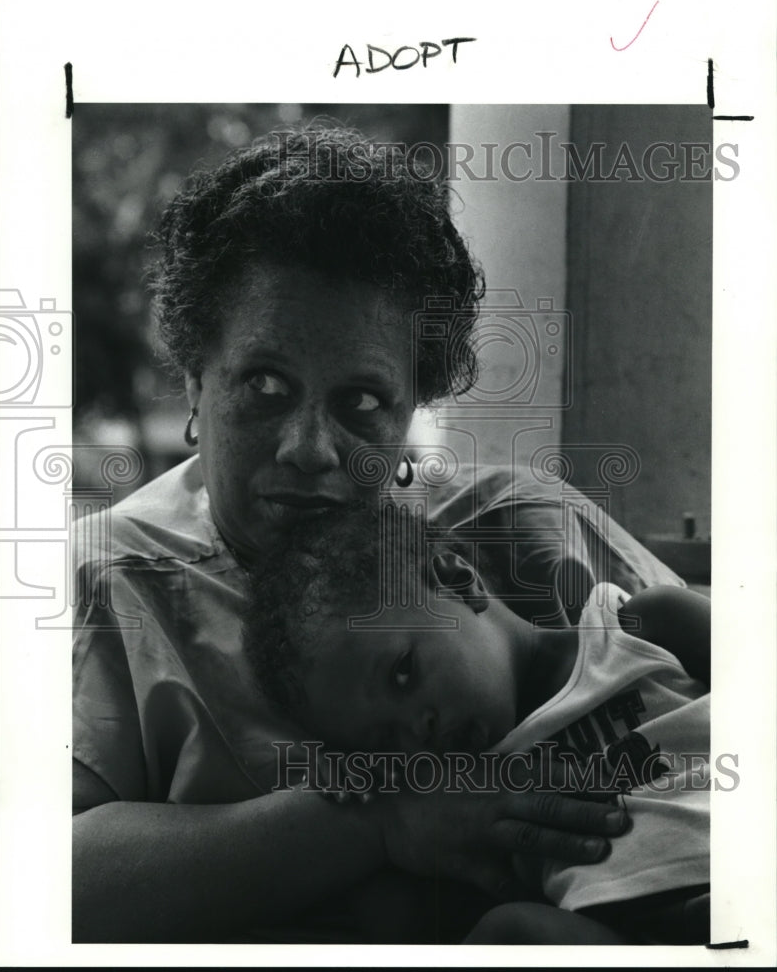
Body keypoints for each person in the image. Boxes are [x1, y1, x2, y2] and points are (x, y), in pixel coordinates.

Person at [73, 124, 677, 943]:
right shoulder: (111, 580)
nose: (310, 450)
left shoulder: (523, 527)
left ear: (409, 409)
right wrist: (371, 819)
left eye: (361, 402)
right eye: (263, 384)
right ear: (193, 380)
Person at [244, 504, 710, 944]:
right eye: (386, 739)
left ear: (459, 581)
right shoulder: (470, 799)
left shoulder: (639, 630)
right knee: (507, 931)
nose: (416, 731)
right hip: (631, 939)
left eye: (403, 672)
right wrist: (363, 795)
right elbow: (393, 919)